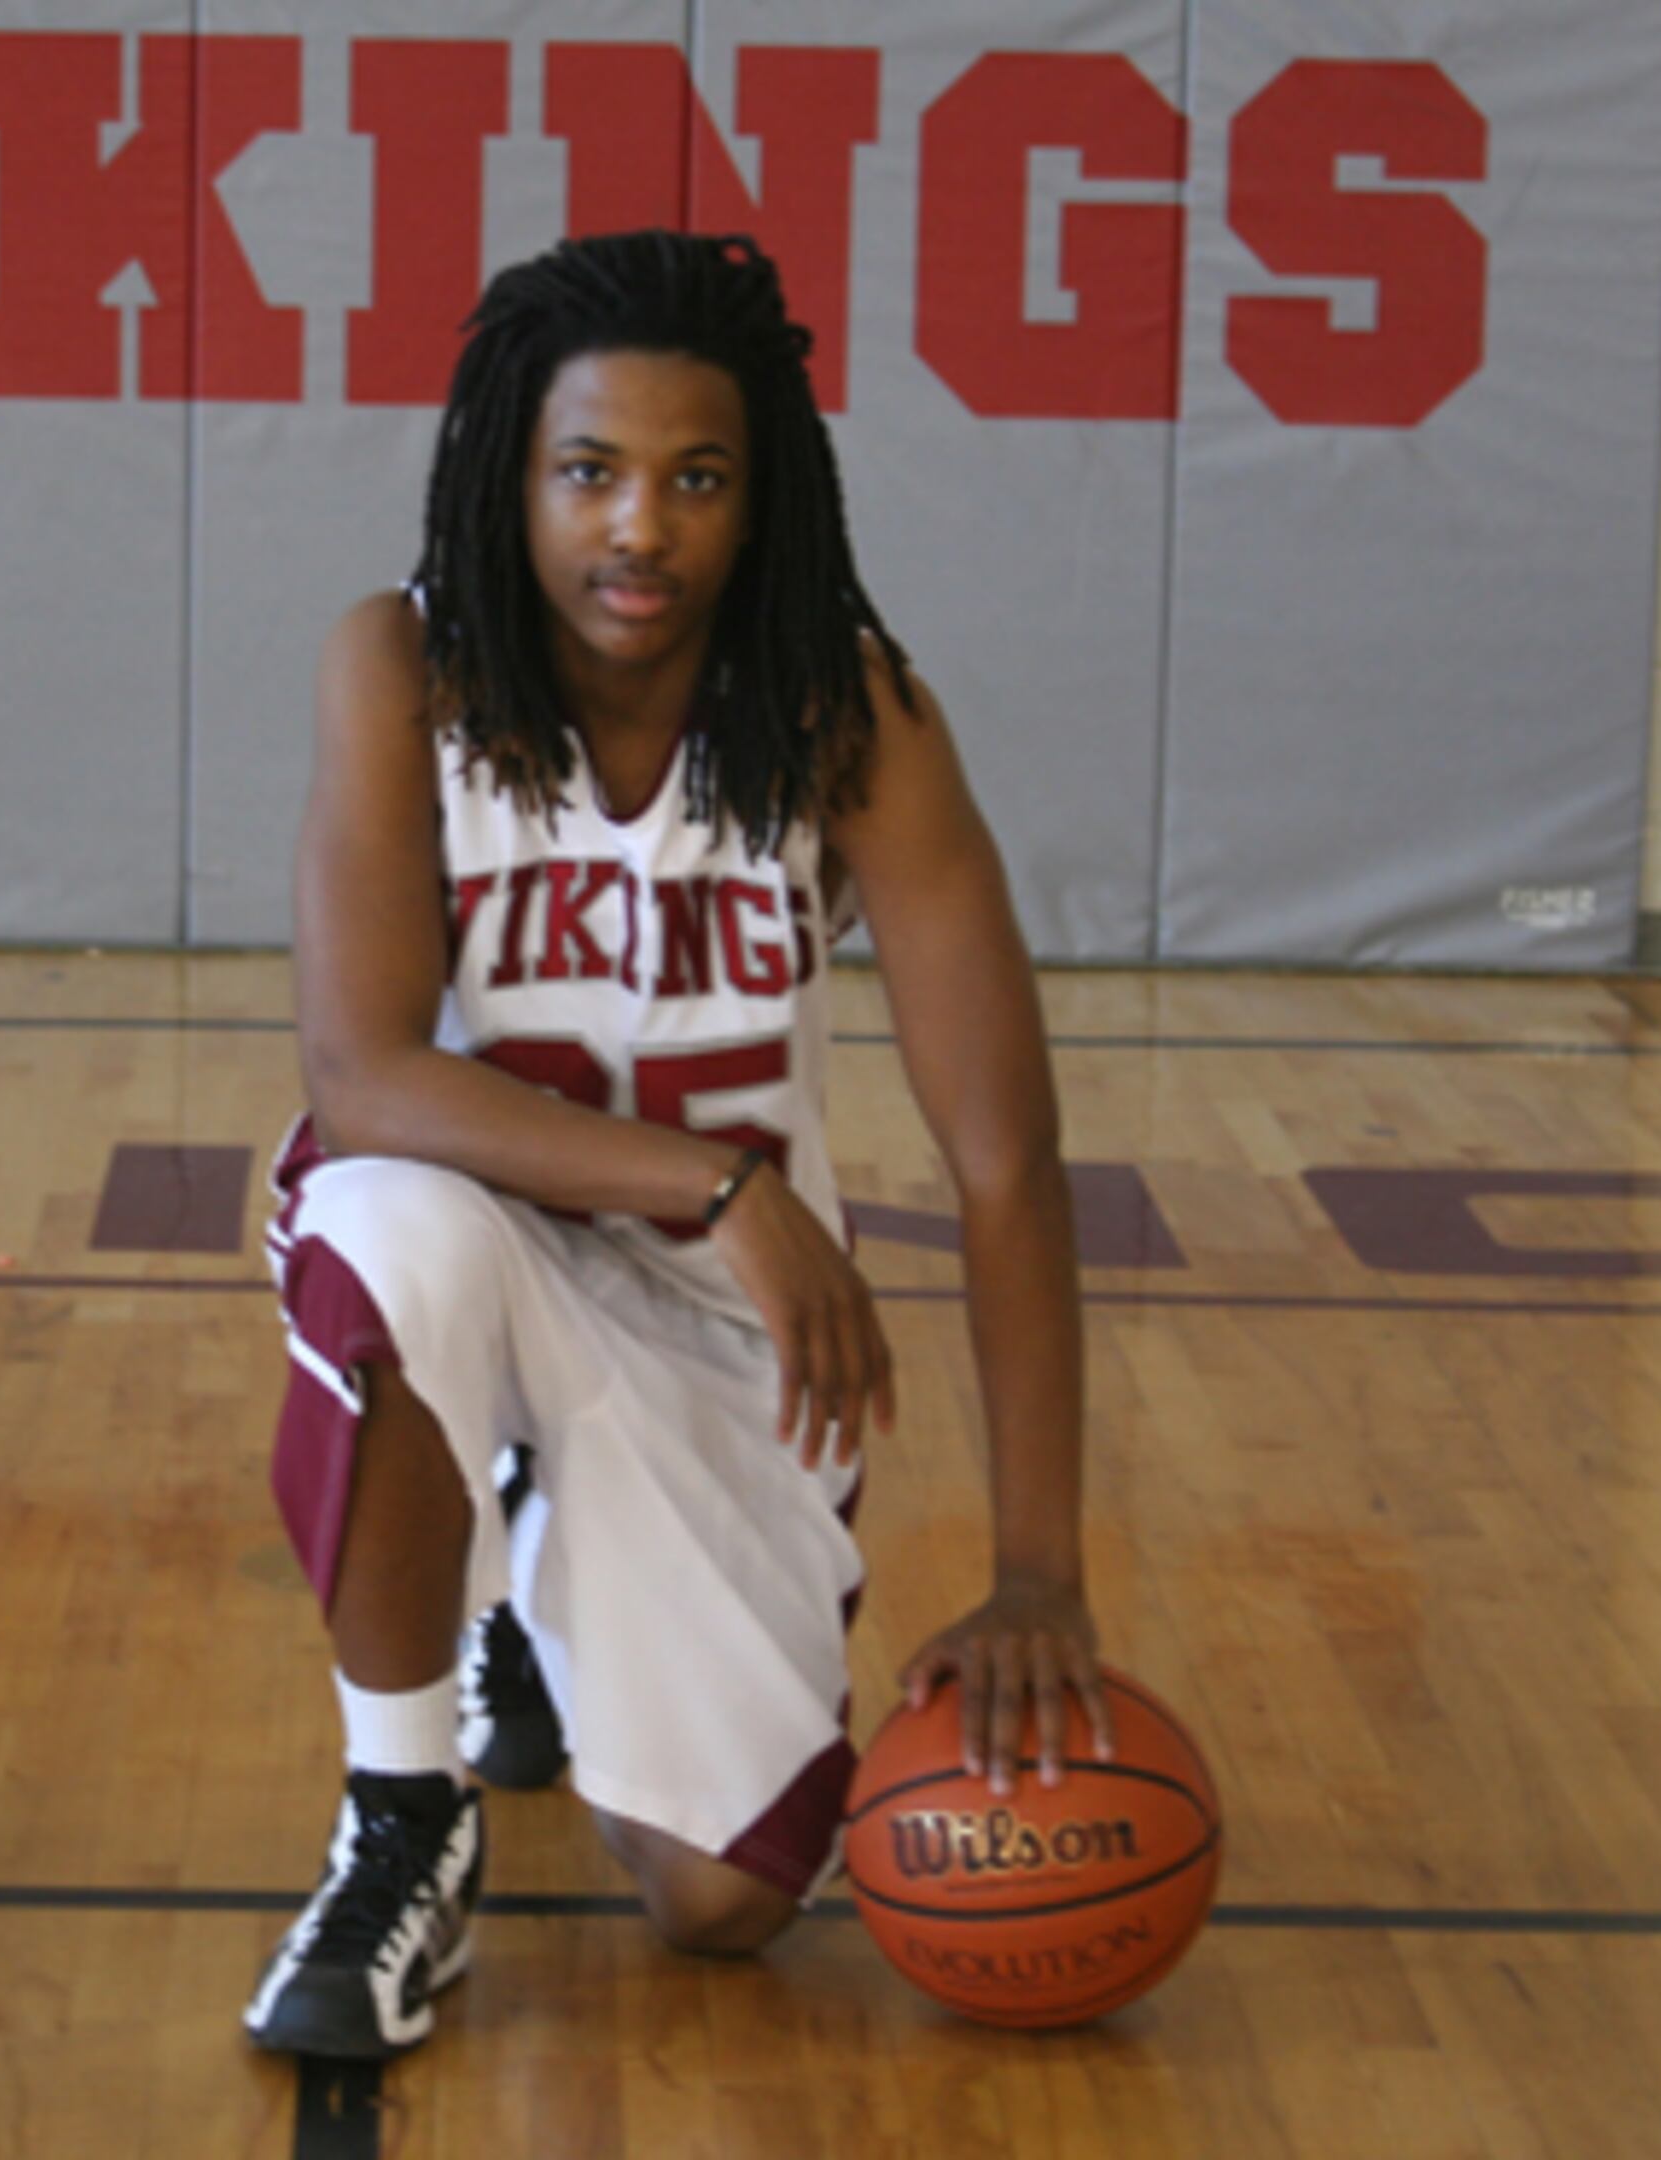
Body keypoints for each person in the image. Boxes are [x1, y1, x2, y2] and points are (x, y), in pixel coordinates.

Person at [245, 230, 1109, 2061]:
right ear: (512, 475)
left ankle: (533, 1568)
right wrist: (723, 1190)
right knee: (380, 1226)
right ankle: (404, 1821)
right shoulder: (402, 668)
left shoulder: (844, 715)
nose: (639, 528)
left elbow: (1008, 1160)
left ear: (760, 496)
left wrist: (1041, 1566)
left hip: (720, 1333)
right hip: (488, 1237)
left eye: (696, 478)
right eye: (590, 470)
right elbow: (365, 1072)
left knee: (726, 1907)